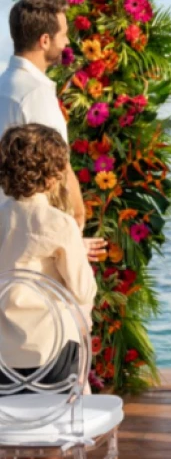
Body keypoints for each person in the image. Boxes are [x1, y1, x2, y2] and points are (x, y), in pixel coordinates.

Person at [0, 0, 104, 262]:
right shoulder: (34, 95)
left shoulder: (5, 85)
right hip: (32, 241)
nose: (67, 42)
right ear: (44, 40)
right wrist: (71, 238)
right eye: (64, 35)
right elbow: (52, 170)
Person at [0, 124, 97, 393]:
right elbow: (83, 290)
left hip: (2, 365)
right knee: (76, 312)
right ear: (54, 176)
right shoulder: (59, 224)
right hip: (50, 360)